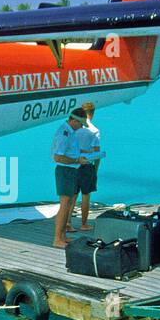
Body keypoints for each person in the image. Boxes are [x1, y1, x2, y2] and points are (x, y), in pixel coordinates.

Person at [51, 107, 89, 247]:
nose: (80, 127)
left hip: (71, 170)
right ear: (73, 120)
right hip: (65, 170)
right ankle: (57, 239)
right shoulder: (64, 133)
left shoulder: (71, 132)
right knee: (64, 205)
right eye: (80, 124)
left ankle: (63, 236)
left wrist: (78, 158)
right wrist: (76, 161)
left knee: (69, 204)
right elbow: (58, 157)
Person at [74, 101, 102, 231]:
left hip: (72, 164)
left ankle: (68, 223)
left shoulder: (74, 128)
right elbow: (97, 153)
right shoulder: (95, 130)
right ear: (92, 114)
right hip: (87, 166)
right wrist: (95, 170)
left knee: (72, 195)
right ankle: (84, 224)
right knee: (85, 195)